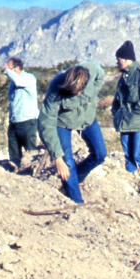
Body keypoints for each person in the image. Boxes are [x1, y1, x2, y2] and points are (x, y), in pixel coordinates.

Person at [38, 60, 107, 203]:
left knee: (100, 154)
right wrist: (57, 158)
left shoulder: (92, 69)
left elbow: (101, 76)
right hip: (63, 123)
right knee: (67, 163)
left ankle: (74, 179)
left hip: (86, 118)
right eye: (74, 92)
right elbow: (46, 123)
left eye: (81, 90)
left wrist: (94, 94)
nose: (80, 93)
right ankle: (77, 203)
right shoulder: (56, 87)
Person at [111, 40, 140, 179]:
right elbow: (117, 101)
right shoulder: (122, 78)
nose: (117, 63)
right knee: (128, 156)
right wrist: (116, 113)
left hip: (138, 123)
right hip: (124, 124)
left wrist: (135, 112)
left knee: (137, 154)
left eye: (118, 60)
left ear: (127, 60)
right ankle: (133, 184)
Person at [3, 57, 40, 172]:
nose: (7, 70)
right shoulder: (12, 83)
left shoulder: (28, 78)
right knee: (14, 152)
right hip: (14, 122)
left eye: (9, 67)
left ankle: (31, 174)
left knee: (31, 151)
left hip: (27, 122)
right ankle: (15, 170)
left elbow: (19, 81)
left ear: (17, 67)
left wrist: (7, 71)